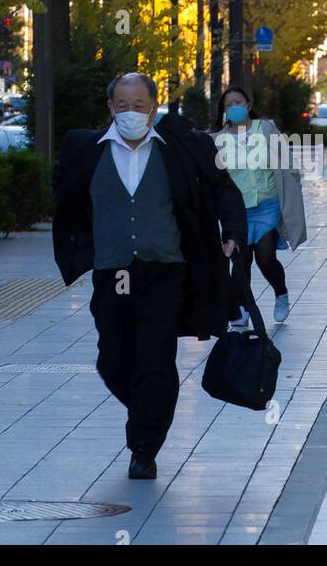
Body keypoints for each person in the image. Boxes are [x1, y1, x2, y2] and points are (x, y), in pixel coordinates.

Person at [52, 72, 246, 481]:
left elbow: (224, 188)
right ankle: (150, 406)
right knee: (114, 359)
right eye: (122, 106)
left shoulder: (184, 147)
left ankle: (144, 448)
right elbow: (66, 197)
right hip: (113, 272)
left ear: (154, 108)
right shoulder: (85, 149)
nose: (130, 113)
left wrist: (231, 233)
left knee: (155, 358)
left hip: (165, 271)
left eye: (139, 106)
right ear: (110, 108)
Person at [211, 86, 306, 331]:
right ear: (223, 110)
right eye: (228, 104)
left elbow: (285, 160)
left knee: (265, 257)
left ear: (249, 104)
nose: (234, 107)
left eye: (238, 102)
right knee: (241, 261)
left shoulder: (264, 129)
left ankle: (281, 292)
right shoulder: (218, 139)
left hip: (267, 203)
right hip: (237, 211)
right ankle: (241, 309)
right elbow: (216, 178)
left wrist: (292, 181)